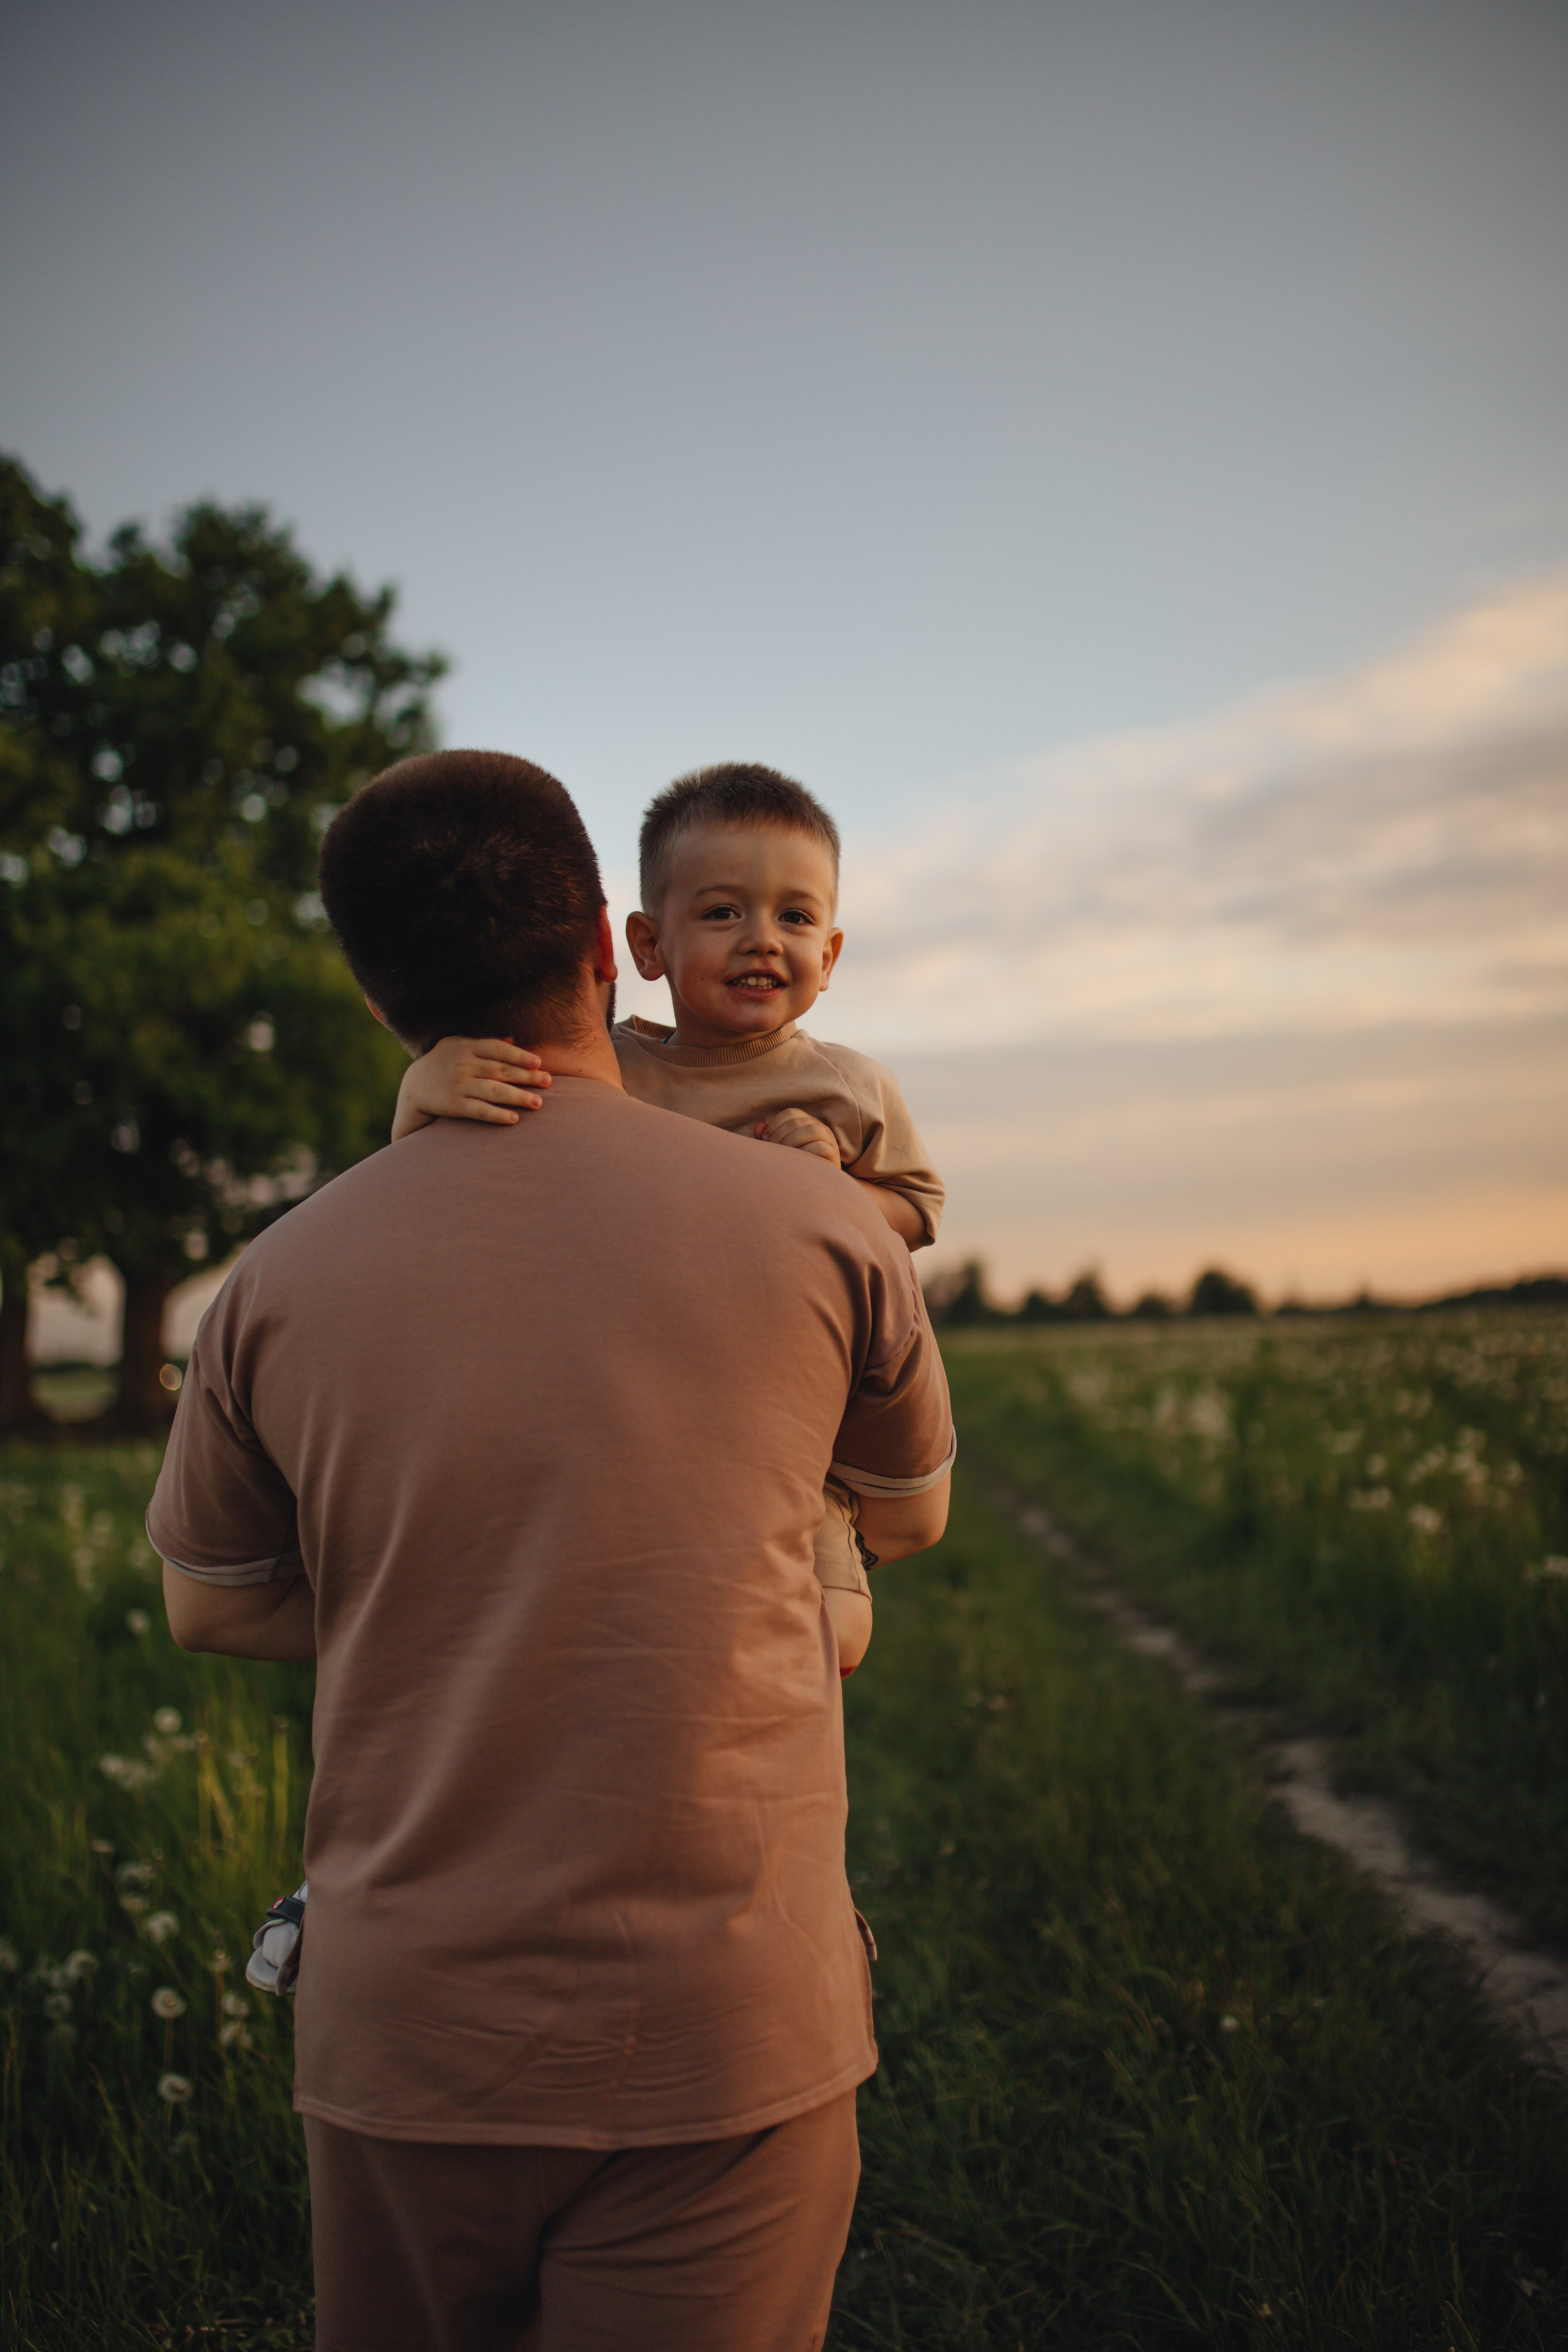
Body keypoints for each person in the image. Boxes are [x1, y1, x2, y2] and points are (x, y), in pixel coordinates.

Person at [150, 749, 954, 2352]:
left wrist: (460, 1597)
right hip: (722, 2029)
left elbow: (209, 1609)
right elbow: (912, 1514)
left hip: (406, 2037)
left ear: (380, 1000)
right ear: (611, 944)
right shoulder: (819, 1225)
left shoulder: (269, 1286)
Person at [394, 762, 944, 1676]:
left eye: (795, 917)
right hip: (640, 1371)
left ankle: (815, 1560)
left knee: (833, 1630)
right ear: (647, 946)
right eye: (723, 912)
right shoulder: (614, 1071)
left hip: (781, 1387)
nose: (762, 939)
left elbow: (918, 1211)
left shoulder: (848, 1087)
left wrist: (829, 1189)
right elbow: (470, 1161)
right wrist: (420, 1089)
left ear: (831, 955)